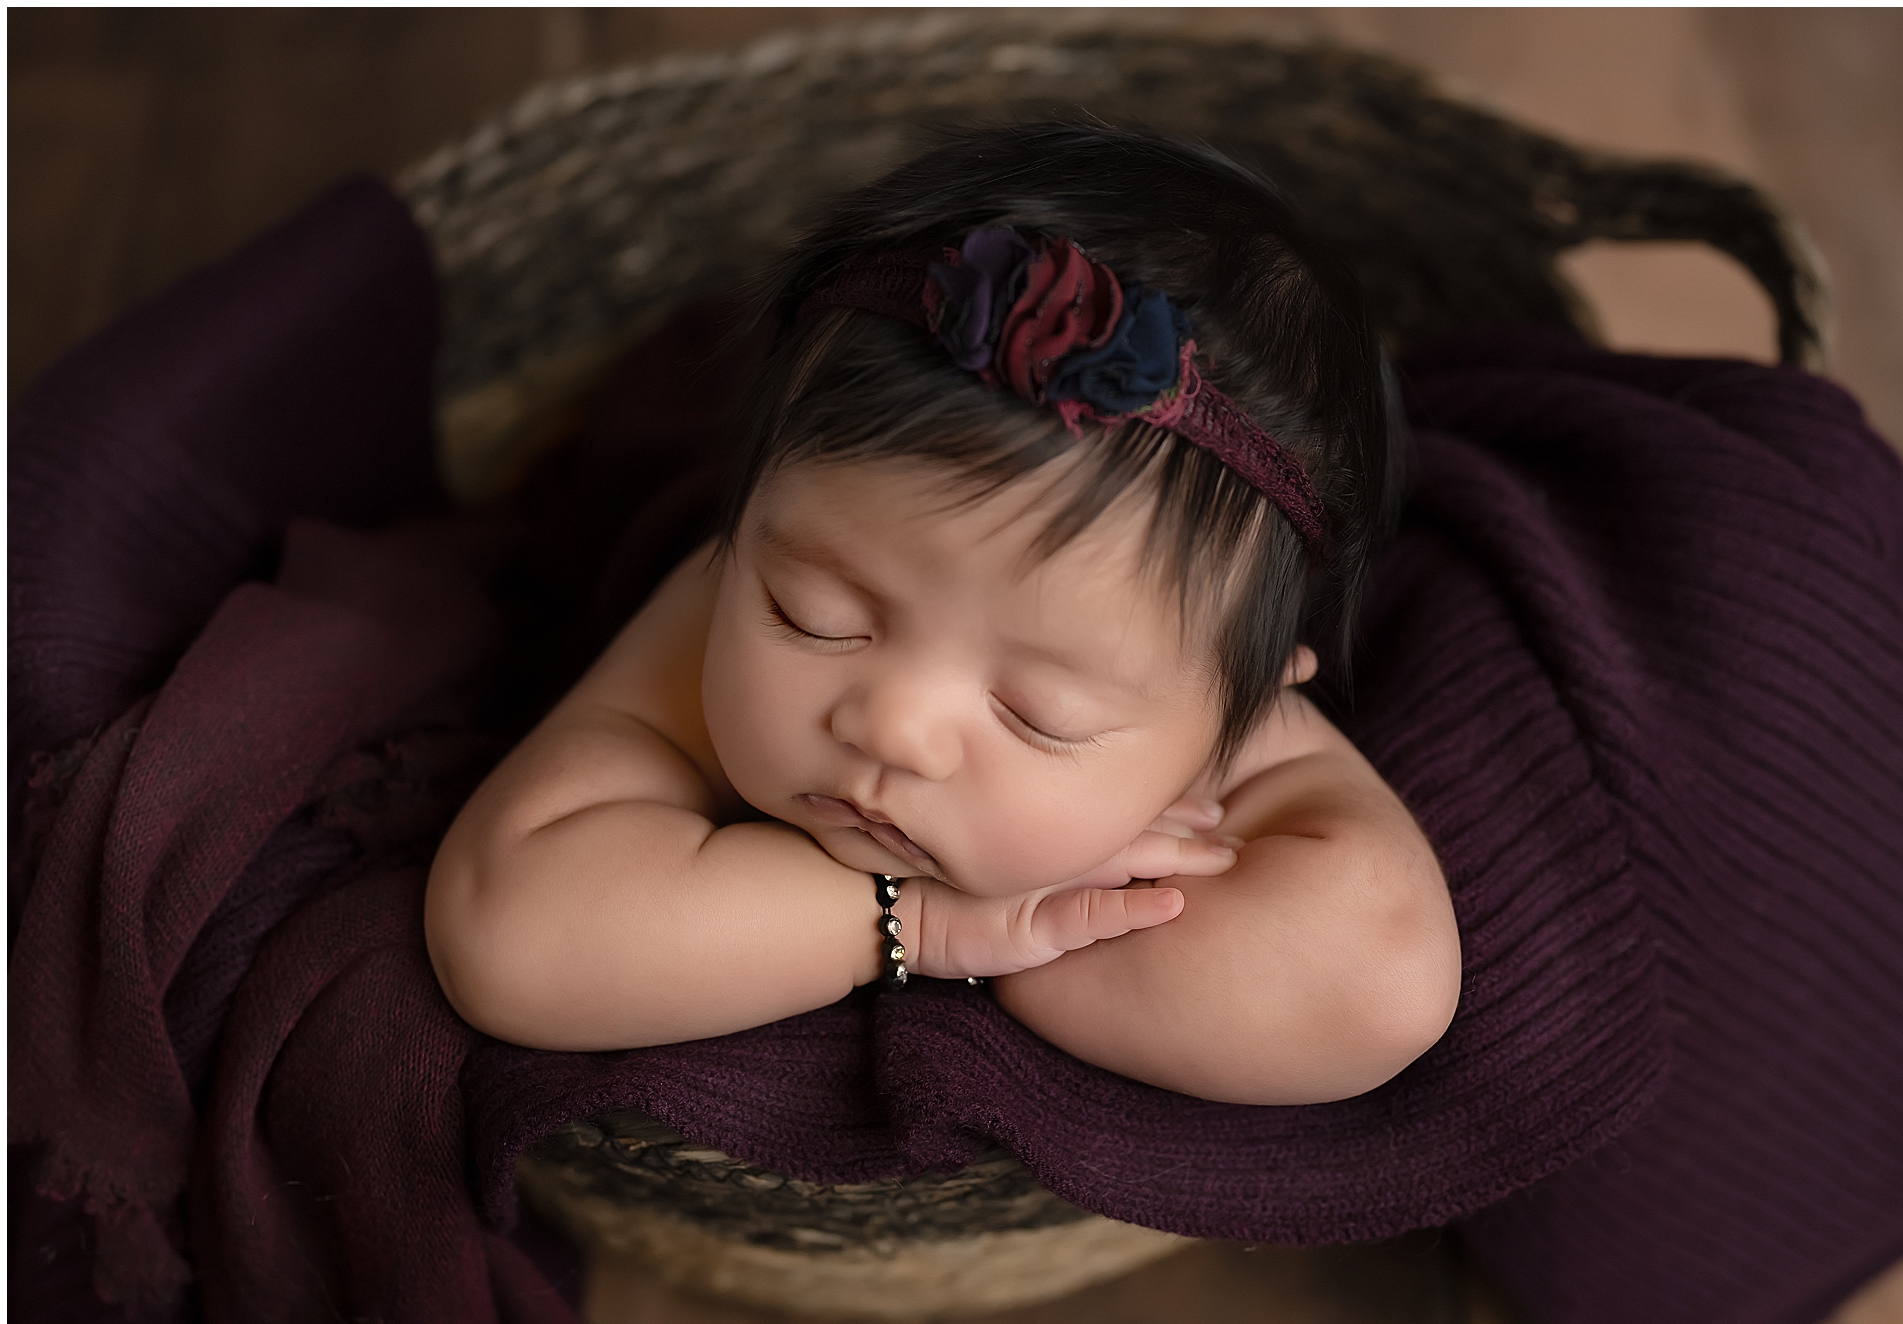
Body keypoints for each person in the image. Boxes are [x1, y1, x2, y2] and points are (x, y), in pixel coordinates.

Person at [424, 123, 1459, 1105]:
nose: (891, 727)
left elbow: (1382, 989)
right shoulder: (724, 603)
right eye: (816, 616)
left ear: (1245, 703)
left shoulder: (1194, 676)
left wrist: (1047, 932)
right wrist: (916, 922)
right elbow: (506, 936)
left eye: (1035, 711)